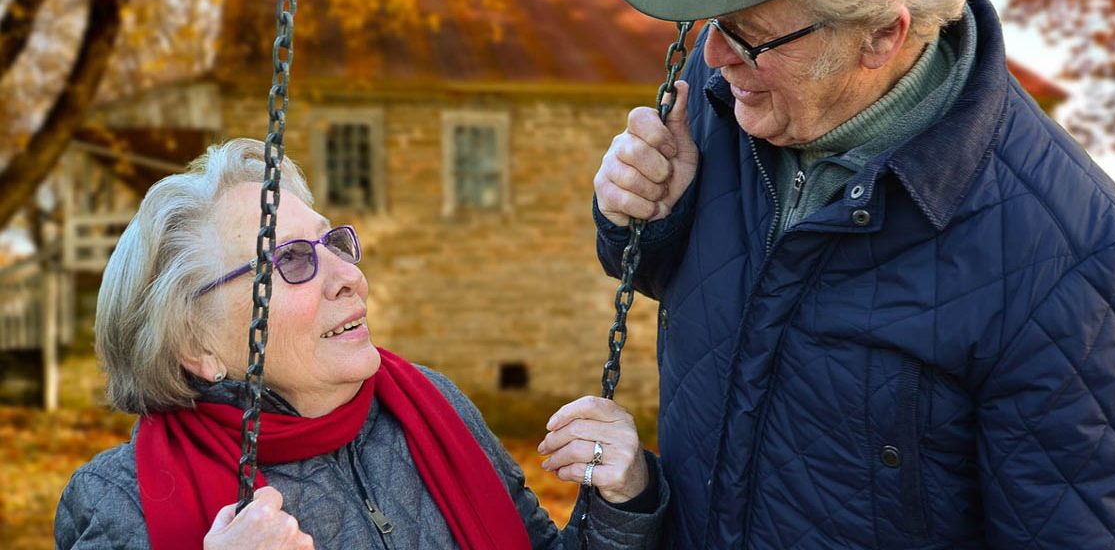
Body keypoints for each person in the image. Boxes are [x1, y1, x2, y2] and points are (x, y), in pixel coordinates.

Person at [589, 0, 1115, 547]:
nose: (714, 57)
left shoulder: (1074, 260)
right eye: (713, 20)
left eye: (749, 36)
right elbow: (694, 286)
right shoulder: (730, 91)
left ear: (880, 37)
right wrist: (645, 217)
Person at [55, 138, 667, 549]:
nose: (348, 275)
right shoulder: (119, 500)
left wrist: (621, 502)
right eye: (291, 260)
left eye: (333, 244)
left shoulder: (432, 408)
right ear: (197, 345)